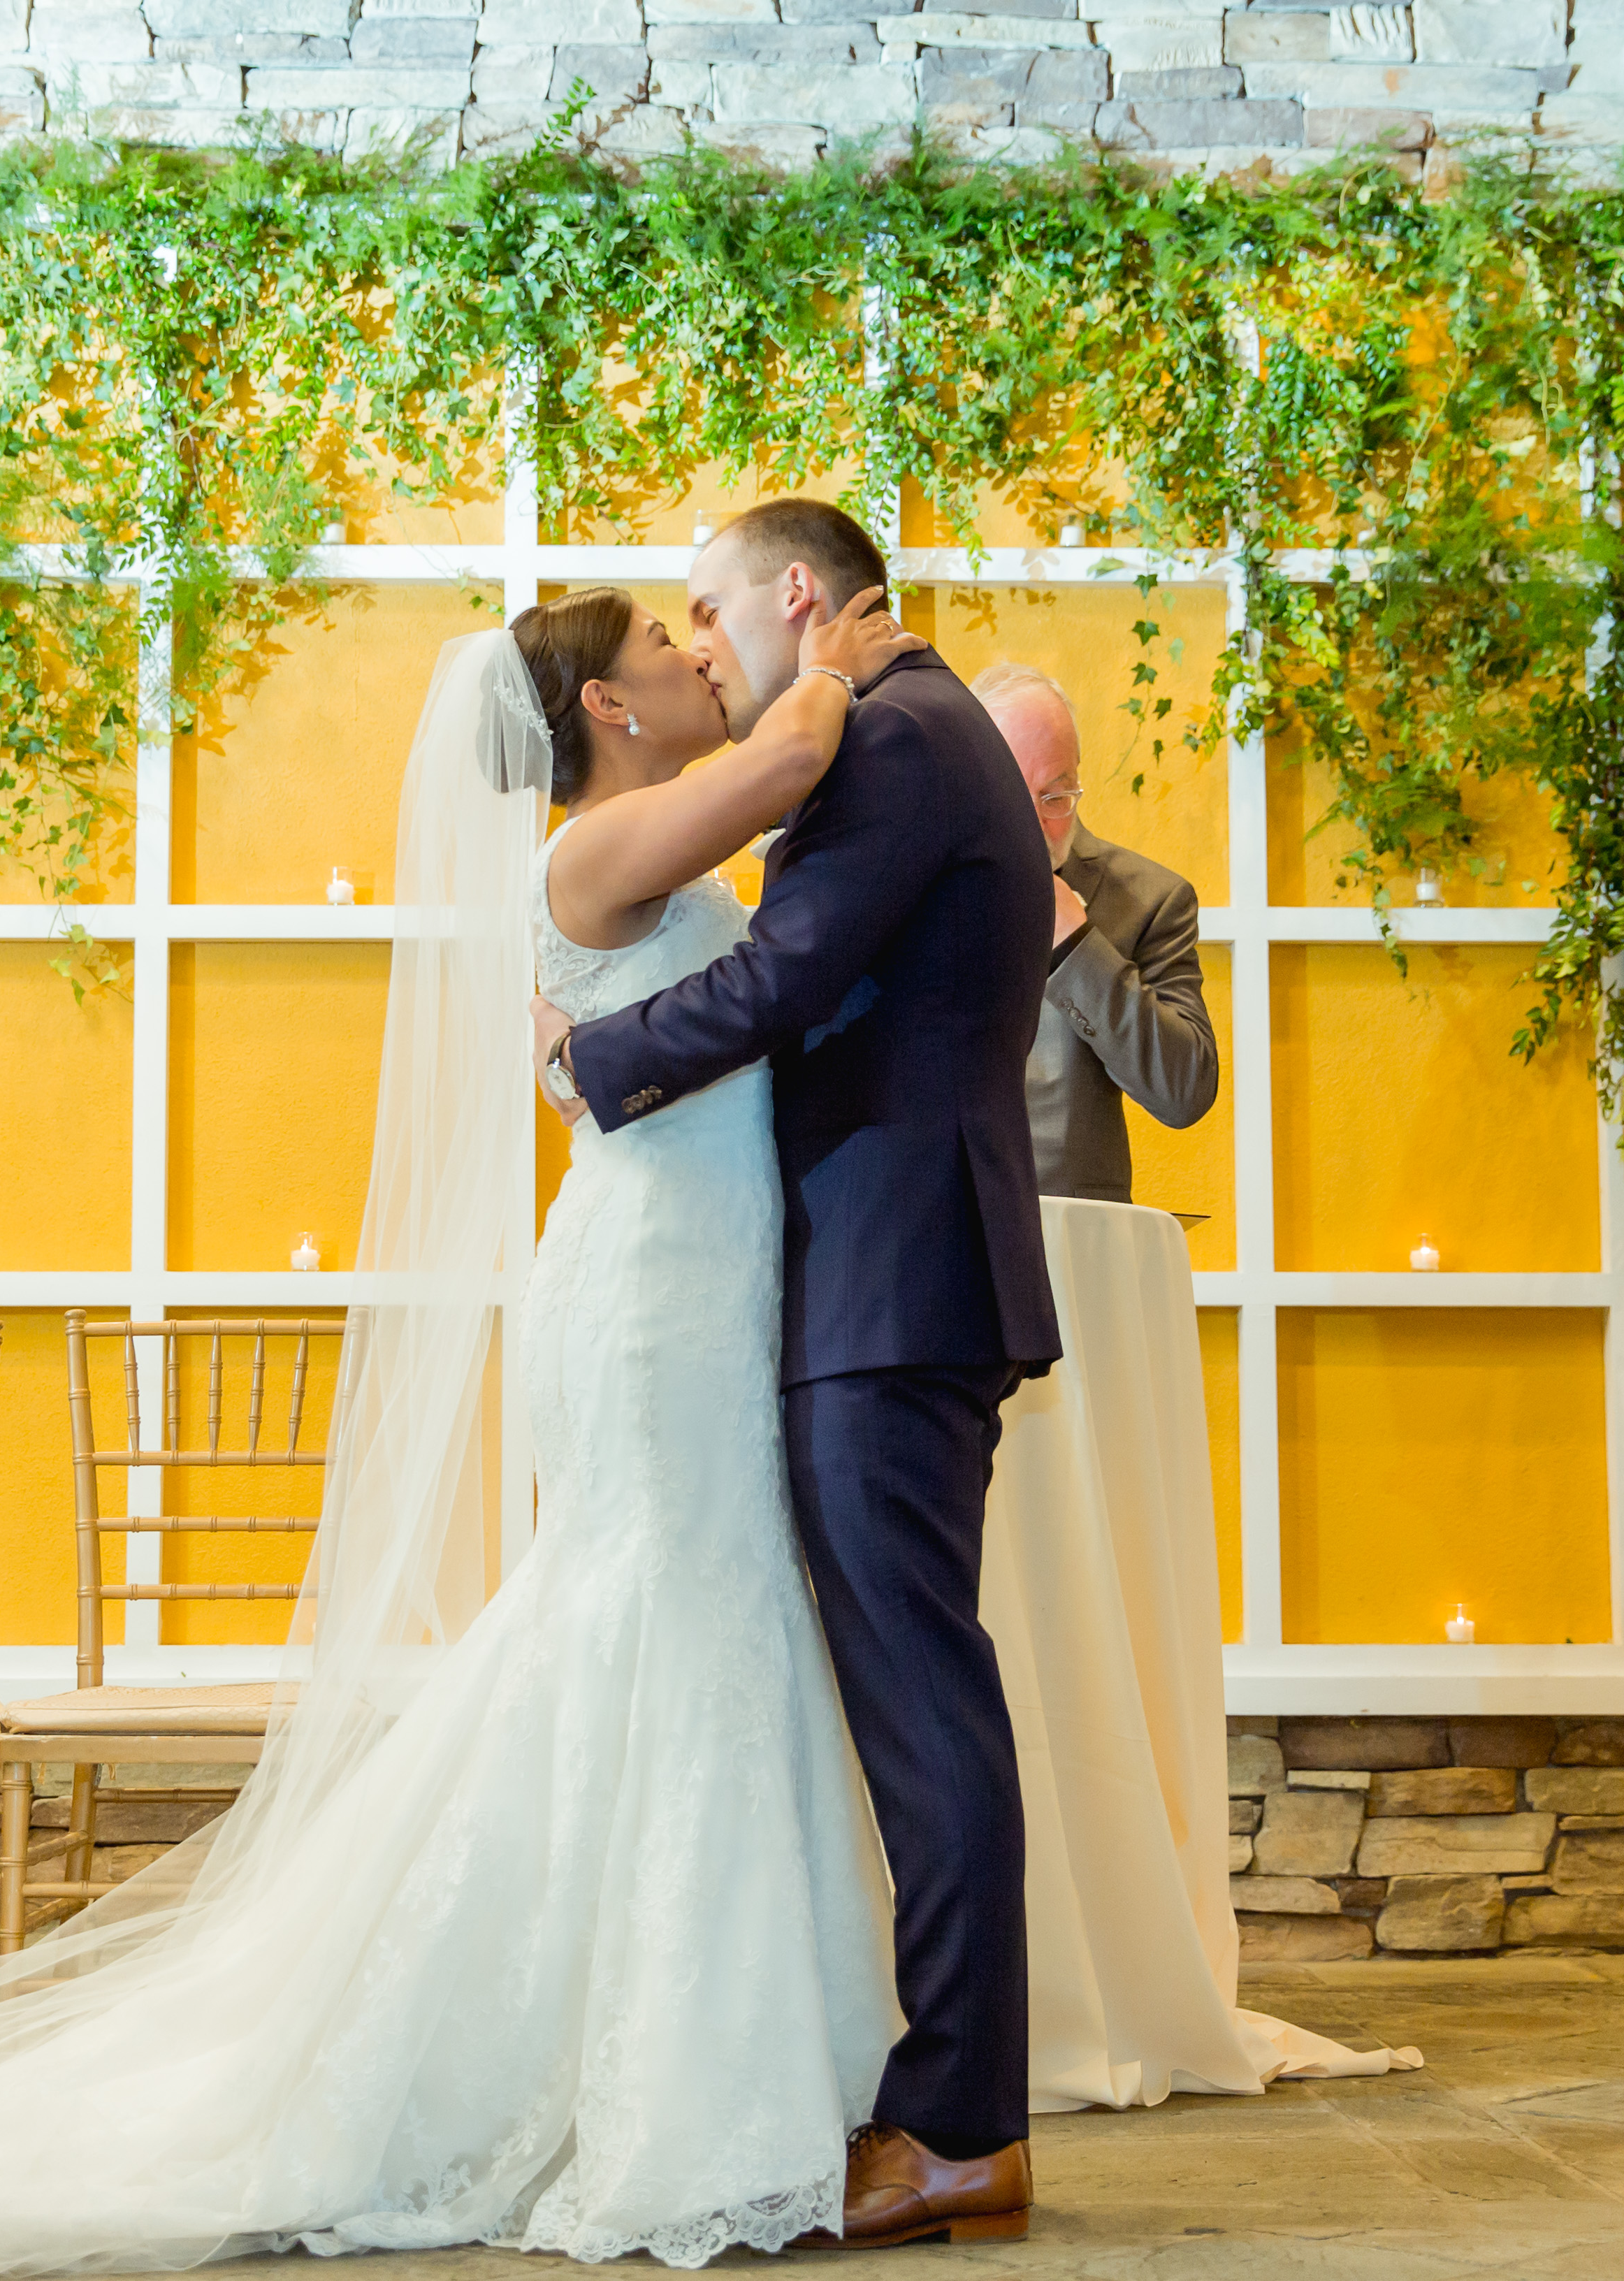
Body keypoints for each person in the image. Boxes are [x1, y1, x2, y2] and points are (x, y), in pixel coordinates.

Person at [0, 577, 938, 2271]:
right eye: (663, 651)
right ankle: (647, 2085)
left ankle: (708, 2052)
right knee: (665, 1621)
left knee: (676, 1629)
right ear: (609, 715)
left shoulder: (643, 855)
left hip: (697, 1282)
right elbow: (784, 765)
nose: (701, 659)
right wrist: (841, 666)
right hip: (648, 1306)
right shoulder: (584, 857)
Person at [537, 498, 1061, 2250]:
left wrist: (590, 1064)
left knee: (922, 1710)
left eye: (709, 608)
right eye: (664, 632)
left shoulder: (892, 737)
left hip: (894, 1286)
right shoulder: (905, 725)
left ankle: (962, 2125)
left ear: (793, 595)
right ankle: (940, 2099)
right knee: (918, 1703)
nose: (699, 644)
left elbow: (786, 973)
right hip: (881, 1278)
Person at [972, 662, 1218, 1203]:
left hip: (1072, 1248)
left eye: (1055, 798)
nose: (1033, 823)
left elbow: (1184, 1092)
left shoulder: (1152, 899)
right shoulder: (904, 880)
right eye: (1010, 792)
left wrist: (1075, 943)